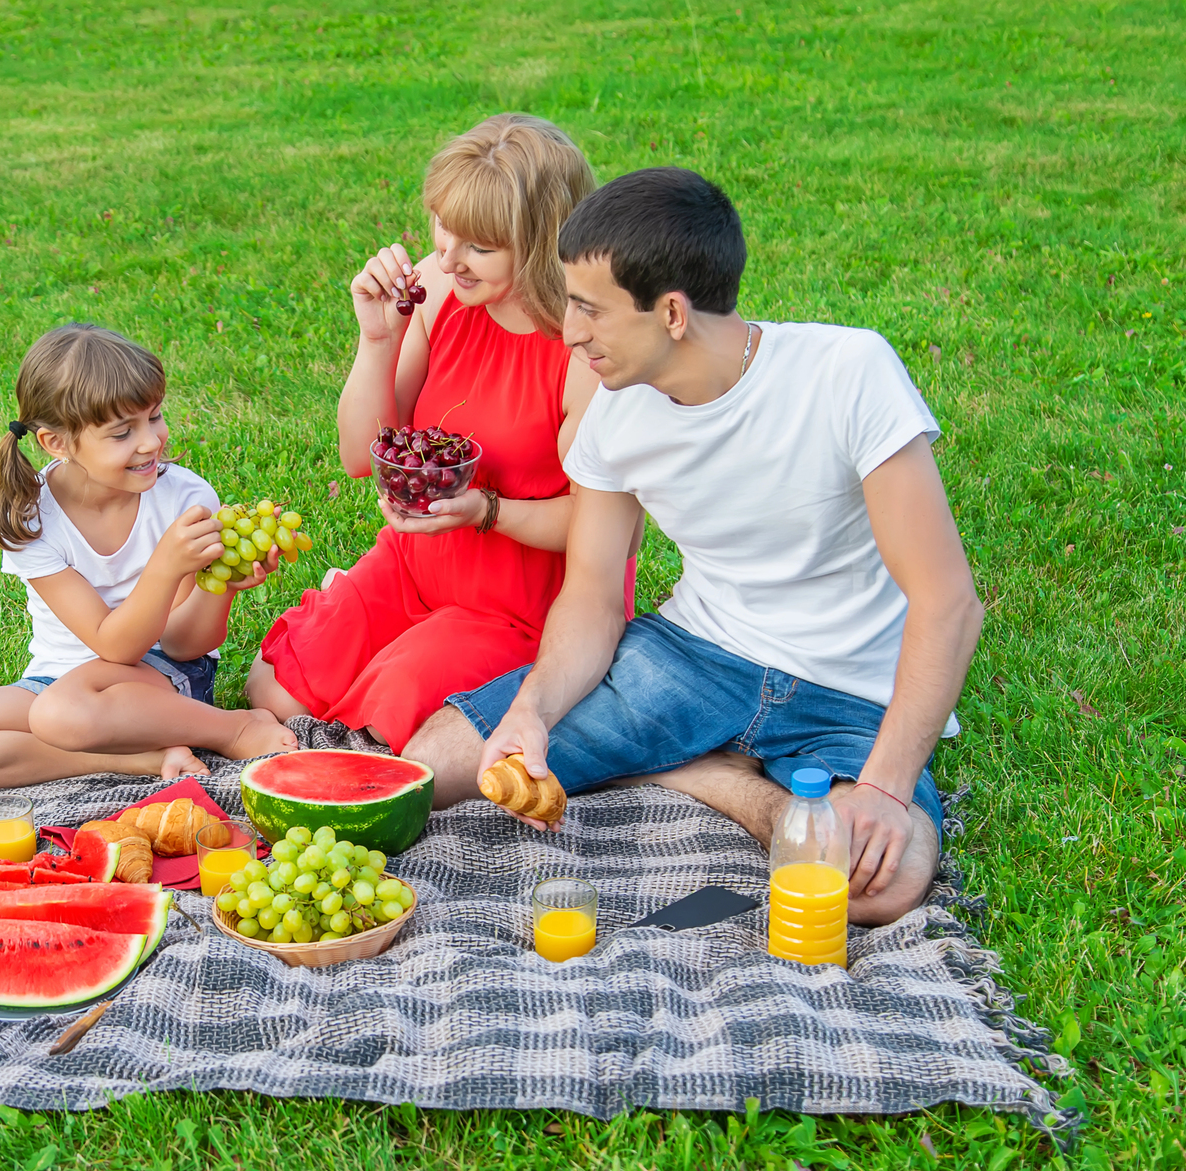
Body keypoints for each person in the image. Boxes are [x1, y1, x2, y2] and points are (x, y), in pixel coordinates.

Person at [406, 168, 984, 926]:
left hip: (849, 692)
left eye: (588, 309)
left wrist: (882, 786)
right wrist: (534, 712)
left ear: (672, 312)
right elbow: (590, 595)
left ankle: (687, 769)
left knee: (885, 882)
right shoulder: (614, 412)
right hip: (693, 659)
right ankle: (713, 776)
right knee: (431, 763)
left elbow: (949, 603)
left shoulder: (848, 373)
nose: (570, 332)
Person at [245, 114, 638, 751]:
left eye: (479, 246)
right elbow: (357, 456)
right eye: (442, 227)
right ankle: (387, 630)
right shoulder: (437, 290)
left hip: (519, 602)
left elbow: (613, 533)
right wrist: (378, 339)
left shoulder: (582, 351)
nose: (447, 258)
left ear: (540, 245)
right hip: (418, 564)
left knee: (380, 729)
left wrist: (488, 512)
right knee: (273, 691)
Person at [0, 324, 298, 788]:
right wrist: (165, 565)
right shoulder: (33, 518)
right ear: (56, 442)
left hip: (157, 679)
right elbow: (108, 642)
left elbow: (183, 646)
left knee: (62, 714)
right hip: (56, 682)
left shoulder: (183, 498)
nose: (151, 441)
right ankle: (142, 758)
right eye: (121, 433)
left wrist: (223, 589)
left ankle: (232, 729)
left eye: (154, 416)